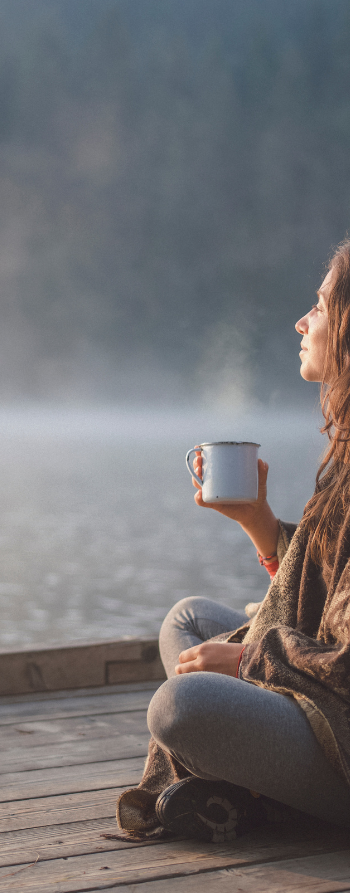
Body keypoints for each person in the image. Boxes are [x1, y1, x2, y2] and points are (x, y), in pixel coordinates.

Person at [118, 240, 350, 841]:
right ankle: (242, 784)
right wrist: (260, 522)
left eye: (321, 307)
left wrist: (250, 662)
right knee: (189, 620)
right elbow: (324, 600)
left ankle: (255, 795)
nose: (301, 322)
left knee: (180, 707)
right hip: (320, 699)